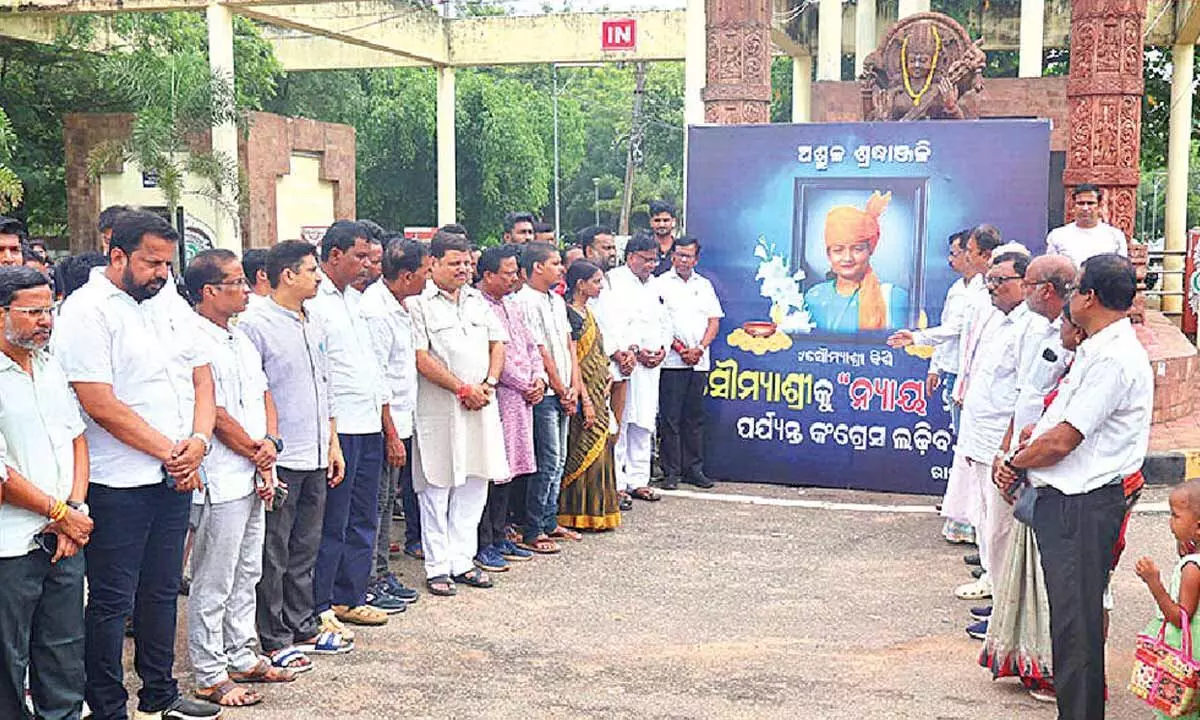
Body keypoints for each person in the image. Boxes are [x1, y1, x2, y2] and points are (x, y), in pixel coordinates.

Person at [53, 210, 220, 720]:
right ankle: (106, 704)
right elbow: (98, 401)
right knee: (111, 599)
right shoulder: (87, 311)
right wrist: (173, 453)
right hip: (118, 480)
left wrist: (197, 440)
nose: (162, 273)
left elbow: (201, 376)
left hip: (175, 473)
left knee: (163, 589)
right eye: (151, 262)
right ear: (117, 254)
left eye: (167, 263)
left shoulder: (166, 300)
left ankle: (160, 693)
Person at [998, 254, 1151, 720]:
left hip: (1083, 506)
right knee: (1069, 628)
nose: (1071, 295)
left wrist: (1014, 463)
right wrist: (1025, 453)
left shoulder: (1114, 357)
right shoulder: (1096, 348)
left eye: (1076, 287)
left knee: (1076, 630)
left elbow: (1065, 440)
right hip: (1066, 503)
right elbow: (1056, 424)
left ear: (1090, 297)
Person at [183, 250, 294, 708]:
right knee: (215, 575)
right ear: (210, 291)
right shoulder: (194, 338)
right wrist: (253, 450)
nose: (246, 289)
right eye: (236, 283)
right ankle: (209, 672)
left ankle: (241, 652)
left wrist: (268, 445)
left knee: (248, 570)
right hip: (222, 474)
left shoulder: (239, 338)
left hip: (252, 470)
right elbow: (216, 412)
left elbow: (263, 394)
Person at [240, 241, 349, 670]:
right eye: (311, 270)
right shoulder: (255, 324)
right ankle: (273, 635)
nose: (319, 277)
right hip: (281, 456)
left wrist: (333, 442)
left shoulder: (314, 322)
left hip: (317, 452)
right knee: (274, 549)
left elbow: (327, 387)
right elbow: (254, 394)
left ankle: (303, 623)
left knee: (306, 545)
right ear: (288, 275)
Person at [0, 266, 93, 720]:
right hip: (11, 545)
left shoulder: (48, 365)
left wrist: (73, 509)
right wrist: (59, 512)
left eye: (49, 310)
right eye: (33, 311)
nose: (46, 320)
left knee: (63, 653)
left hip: (63, 539)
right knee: (7, 662)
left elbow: (76, 438)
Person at [979, 300, 1084, 704]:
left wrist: (1015, 461)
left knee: (1069, 587)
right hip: (1036, 476)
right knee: (1030, 575)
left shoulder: (1094, 365)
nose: (1060, 327)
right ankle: (1033, 665)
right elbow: (1029, 406)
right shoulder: (1055, 350)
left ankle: (1063, 675)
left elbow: (1062, 437)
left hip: (1071, 489)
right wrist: (1011, 454)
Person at [889, 224, 1004, 543]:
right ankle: (968, 519)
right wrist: (935, 365)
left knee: (977, 451)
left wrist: (918, 337)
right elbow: (957, 333)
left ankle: (978, 524)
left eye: (964, 251)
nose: (959, 257)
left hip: (982, 381)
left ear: (981, 254)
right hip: (960, 375)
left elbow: (957, 330)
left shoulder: (991, 291)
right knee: (965, 447)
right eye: (958, 251)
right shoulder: (961, 290)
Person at [409, 231, 509, 596]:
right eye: (455, 263)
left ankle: (462, 561)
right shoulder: (418, 305)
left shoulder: (478, 302)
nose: (463, 269)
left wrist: (490, 383)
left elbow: (497, 344)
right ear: (433, 263)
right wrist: (461, 388)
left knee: (474, 482)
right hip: (441, 407)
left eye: (467, 263)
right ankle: (437, 567)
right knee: (437, 485)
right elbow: (421, 357)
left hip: (481, 403)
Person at [308, 221, 393, 625]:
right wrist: (330, 435)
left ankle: (351, 595)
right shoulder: (316, 302)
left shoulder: (356, 301)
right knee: (332, 522)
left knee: (364, 515)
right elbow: (323, 372)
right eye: (359, 256)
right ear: (335, 254)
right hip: (339, 427)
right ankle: (321, 603)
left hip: (368, 422)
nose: (366, 265)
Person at [943, 251, 1032, 606]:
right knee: (986, 519)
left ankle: (1003, 602)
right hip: (980, 437)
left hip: (1000, 441)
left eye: (1000, 281)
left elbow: (1026, 395)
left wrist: (1005, 449)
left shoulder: (1030, 328)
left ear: (1026, 285)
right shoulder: (1000, 320)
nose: (992, 287)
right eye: (990, 281)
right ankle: (993, 586)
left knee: (1000, 525)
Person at [359, 237, 429, 606]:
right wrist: (390, 433)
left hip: (402, 421)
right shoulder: (376, 311)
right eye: (424, 272)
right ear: (405, 275)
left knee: (386, 502)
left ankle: (382, 571)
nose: (427, 279)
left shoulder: (399, 305)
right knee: (376, 503)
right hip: (383, 424)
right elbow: (378, 378)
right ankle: (369, 578)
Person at [476, 245, 542, 569]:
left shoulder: (512, 307)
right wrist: (523, 383)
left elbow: (531, 346)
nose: (514, 278)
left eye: (516, 272)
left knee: (511, 472)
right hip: (499, 398)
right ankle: (484, 540)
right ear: (487, 275)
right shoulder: (478, 306)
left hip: (523, 401)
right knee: (492, 473)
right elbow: (494, 355)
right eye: (507, 273)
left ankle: (502, 535)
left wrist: (539, 378)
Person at [513, 242, 582, 551]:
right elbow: (539, 350)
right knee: (548, 460)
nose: (561, 268)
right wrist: (558, 385)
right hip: (547, 393)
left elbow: (569, 345)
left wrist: (574, 386)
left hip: (564, 389)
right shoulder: (525, 301)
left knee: (560, 458)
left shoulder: (556, 301)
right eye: (554, 263)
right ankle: (533, 528)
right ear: (537, 267)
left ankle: (550, 520)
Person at [594, 232, 670, 505]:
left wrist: (662, 349)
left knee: (645, 422)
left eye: (654, 260)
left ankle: (640, 480)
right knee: (622, 421)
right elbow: (606, 322)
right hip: (623, 363)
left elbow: (665, 322)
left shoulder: (657, 286)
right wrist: (628, 351)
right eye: (646, 260)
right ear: (630, 257)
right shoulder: (612, 282)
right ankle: (619, 482)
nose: (651, 265)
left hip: (651, 367)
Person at [653, 236, 723, 490]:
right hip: (672, 361)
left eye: (688, 256)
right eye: (679, 255)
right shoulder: (659, 284)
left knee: (694, 418)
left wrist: (699, 348)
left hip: (699, 361)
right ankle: (670, 472)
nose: (682, 260)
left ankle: (694, 470)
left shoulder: (704, 285)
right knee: (669, 418)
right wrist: (681, 349)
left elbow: (714, 321)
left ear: (696, 259)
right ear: (672, 256)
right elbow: (659, 324)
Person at [558, 260, 622, 531]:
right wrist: (585, 398)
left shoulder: (589, 313)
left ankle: (600, 510)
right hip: (583, 391)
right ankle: (575, 512)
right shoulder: (569, 314)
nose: (600, 286)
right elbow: (574, 362)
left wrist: (607, 375)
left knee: (603, 449)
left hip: (599, 388)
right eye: (595, 281)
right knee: (582, 450)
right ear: (580, 284)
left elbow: (597, 351)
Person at [1134, 480, 1200, 720]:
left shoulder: (1193, 568)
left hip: (1188, 654)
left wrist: (1154, 583)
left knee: (1179, 708)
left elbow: (1180, 617)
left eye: (1175, 516)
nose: (1170, 522)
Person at [804, 191, 909, 333]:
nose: (847, 258)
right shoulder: (814, 296)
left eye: (857, 249)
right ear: (828, 254)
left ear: (870, 251)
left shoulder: (892, 297)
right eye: (838, 250)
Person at [1045, 184, 1128, 267]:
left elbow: (1121, 270)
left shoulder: (1115, 236)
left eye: (1090, 203)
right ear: (1073, 206)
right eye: (1080, 203)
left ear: (1099, 206)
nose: (1085, 208)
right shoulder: (1057, 235)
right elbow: (1052, 270)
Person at [647, 200, 676, 276]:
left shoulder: (679, 248)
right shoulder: (644, 248)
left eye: (666, 220)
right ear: (651, 222)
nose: (661, 225)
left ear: (673, 221)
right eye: (657, 220)